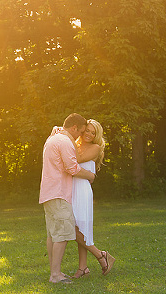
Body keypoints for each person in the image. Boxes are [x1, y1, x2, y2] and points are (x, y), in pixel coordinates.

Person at [39, 113, 97, 285]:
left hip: (49, 193)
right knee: (63, 234)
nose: (80, 135)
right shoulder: (64, 142)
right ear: (74, 128)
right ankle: (56, 275)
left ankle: (55, 271)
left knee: (53, 235)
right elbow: (72, 167)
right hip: (59, 193)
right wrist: (90, 176)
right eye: (80, 132)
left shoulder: (53, 138)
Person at [71, 118, 115, 278]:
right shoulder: (75, 144)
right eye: (87, 130)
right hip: (71, 189)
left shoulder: (95, 147)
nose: (89, 134)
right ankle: (83, 268)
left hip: (82, 190)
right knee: (78, 228)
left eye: (92, 132)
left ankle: (100, 255)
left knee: (76, 229)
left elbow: (77, 160)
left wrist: (69, 140)